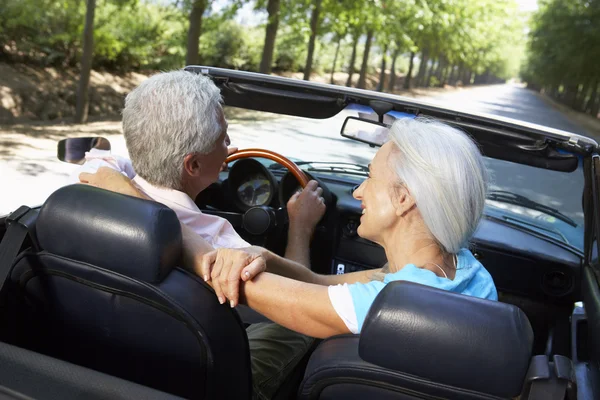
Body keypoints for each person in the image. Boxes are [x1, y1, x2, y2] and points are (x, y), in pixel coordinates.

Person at [80, 117, 497, 398]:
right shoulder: (461, 270)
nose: (357, 192)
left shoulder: (393, 306)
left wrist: (124, 192)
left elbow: (217, 272)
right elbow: (321, 285)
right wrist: (263, 254)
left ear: (404, 199)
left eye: (369, 178)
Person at [75, 70, 325, 268]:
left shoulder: (96, 182)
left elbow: (104, 160)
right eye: (224, 138)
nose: (229, 144)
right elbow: (298, 290)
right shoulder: (219, 245)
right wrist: (301, 226)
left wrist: (208, 163)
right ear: (193, 164)